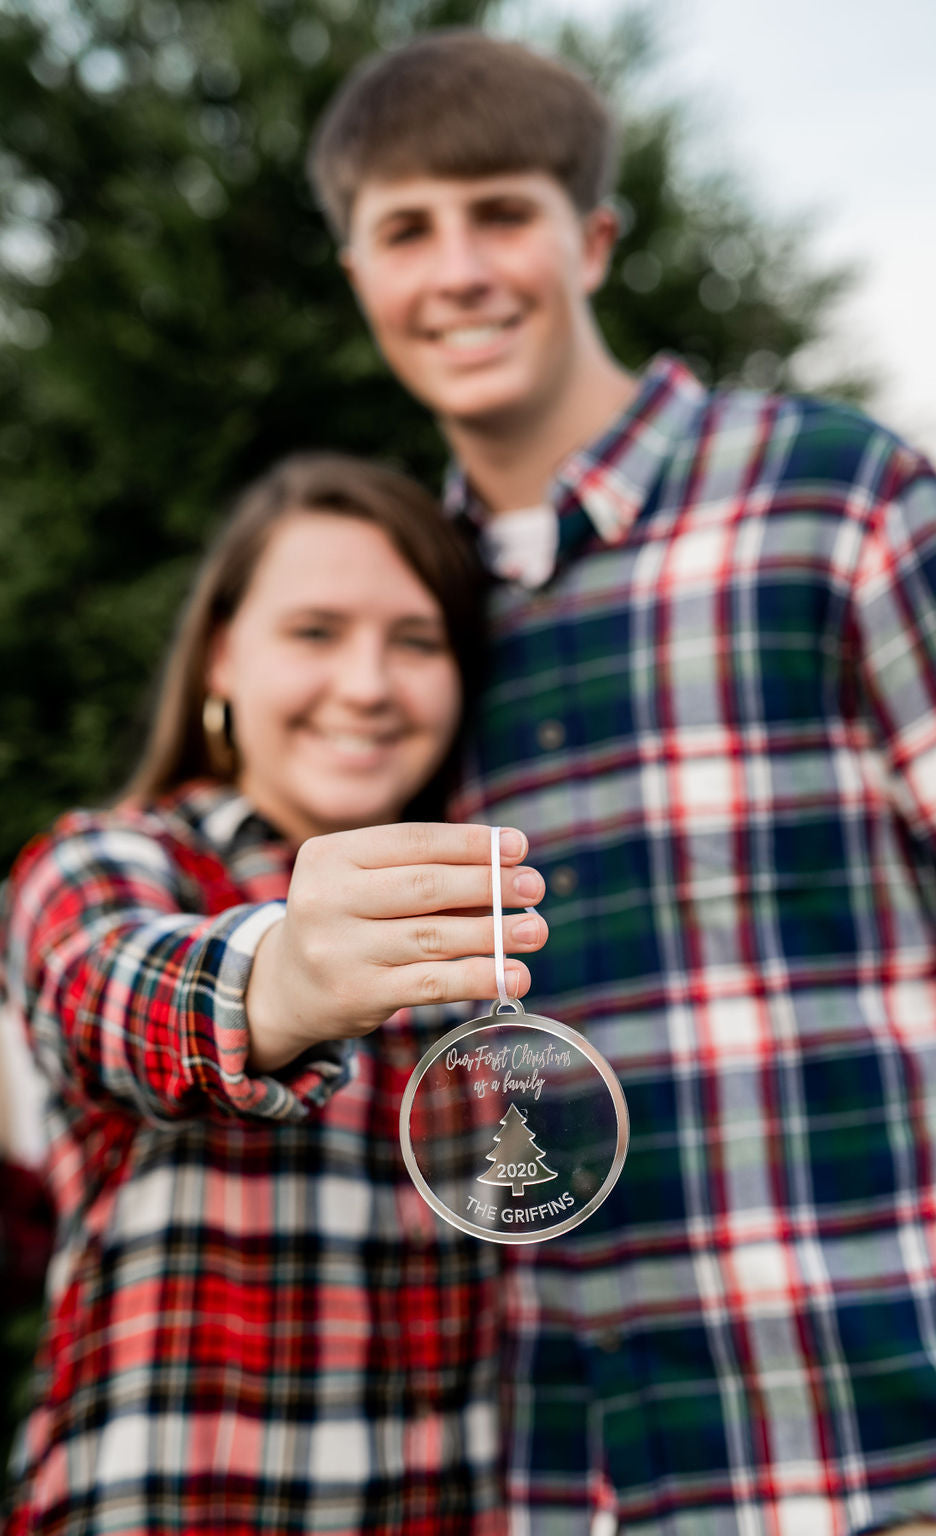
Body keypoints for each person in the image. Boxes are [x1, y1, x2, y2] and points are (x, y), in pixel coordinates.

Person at [304, 30, 936, 1536]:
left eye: (502, 212)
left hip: (925, 1439)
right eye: (405, 231)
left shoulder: (835, 499)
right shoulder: (402, 621)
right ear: (357, 270)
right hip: (584, 1473)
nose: (458, 271)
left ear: (594, 237)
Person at [1, 449, 549, 1535]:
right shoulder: (108, 861)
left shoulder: (498, 918)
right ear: (220, 658)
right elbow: (100, 992)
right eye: (314, 632)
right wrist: (283, 978)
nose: (366, 684)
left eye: (416, 641)